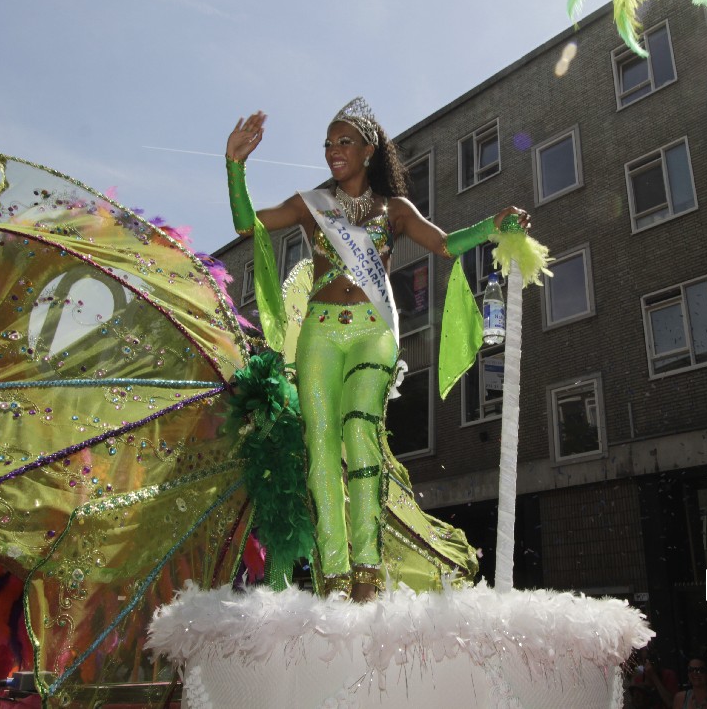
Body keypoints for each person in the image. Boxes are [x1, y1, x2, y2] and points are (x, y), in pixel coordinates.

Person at [224, 98, 528, 600]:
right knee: (320, 446)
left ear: (369, 150)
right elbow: (246, 225)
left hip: (374, 329)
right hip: (320, 333)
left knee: (360, 430)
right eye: (328, 143)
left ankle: (366, 570)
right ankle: (335, 576)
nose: (333, 150)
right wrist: (235, 166)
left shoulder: (396, 210)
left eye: (344, 141)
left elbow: (444, 244)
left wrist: (492, 226)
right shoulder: (311, 204)